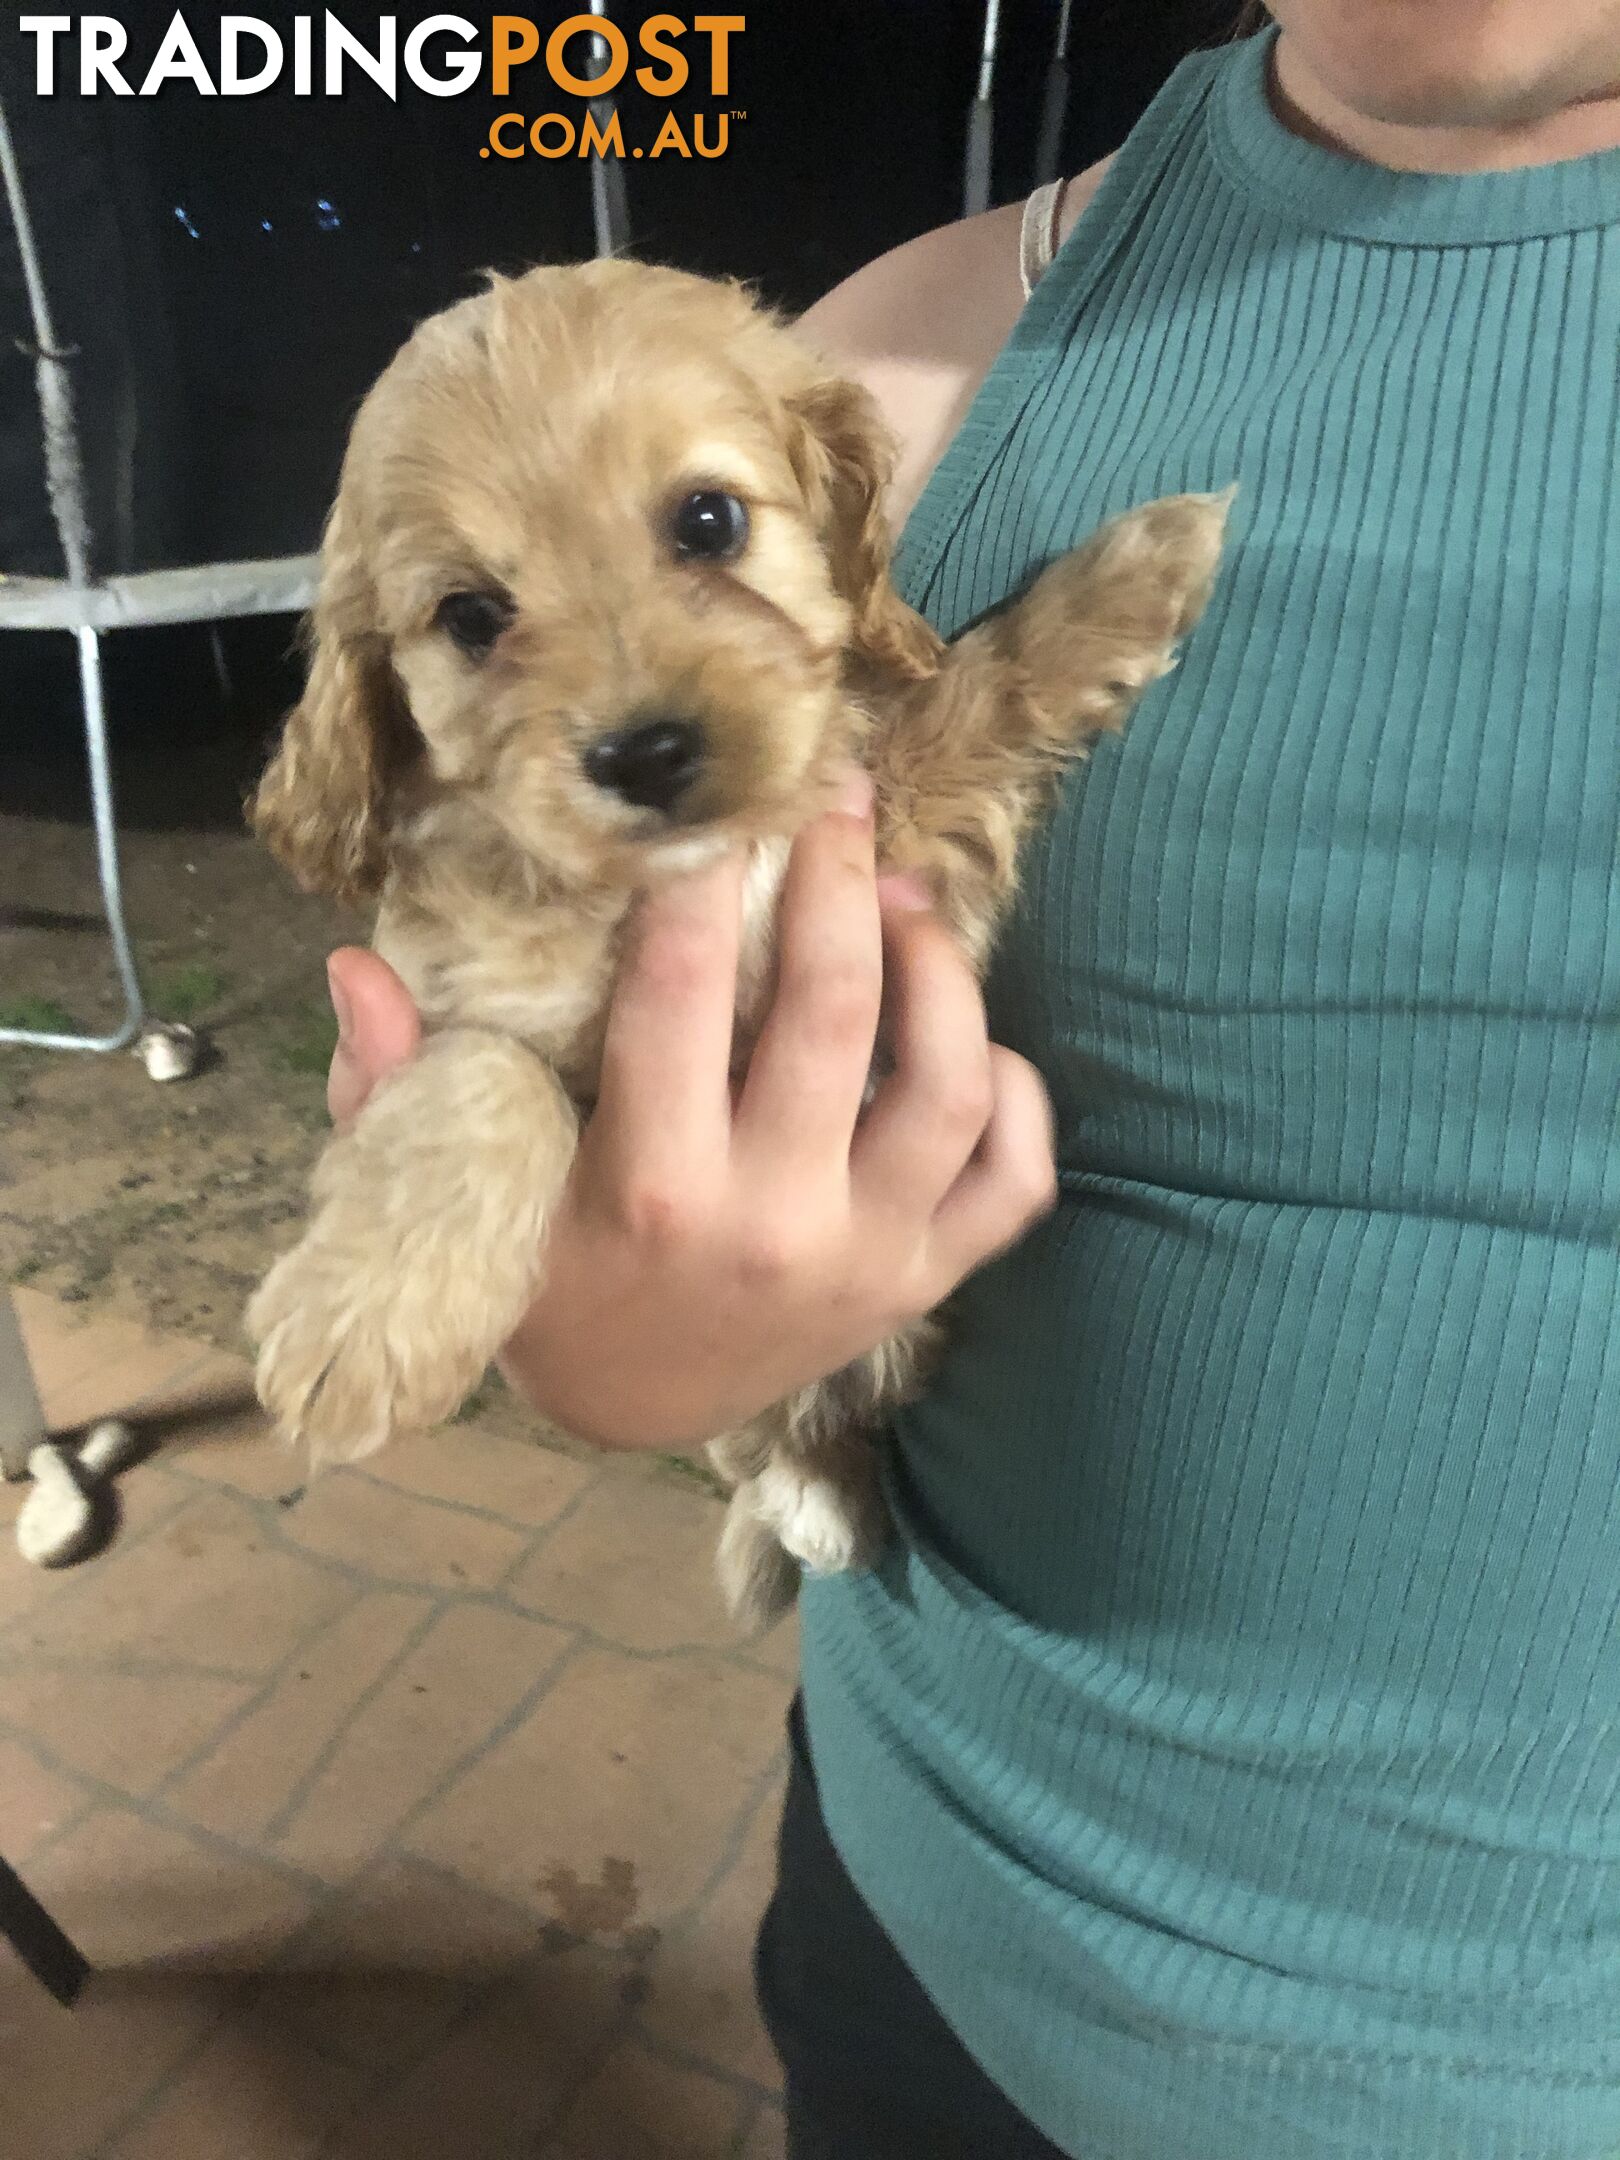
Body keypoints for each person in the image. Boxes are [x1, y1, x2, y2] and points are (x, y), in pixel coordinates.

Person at [322, 4, 1620, 2153]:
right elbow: (576, 985)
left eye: (705, 534)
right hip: (946, 1944)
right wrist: (626, 1353)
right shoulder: (917, 355)